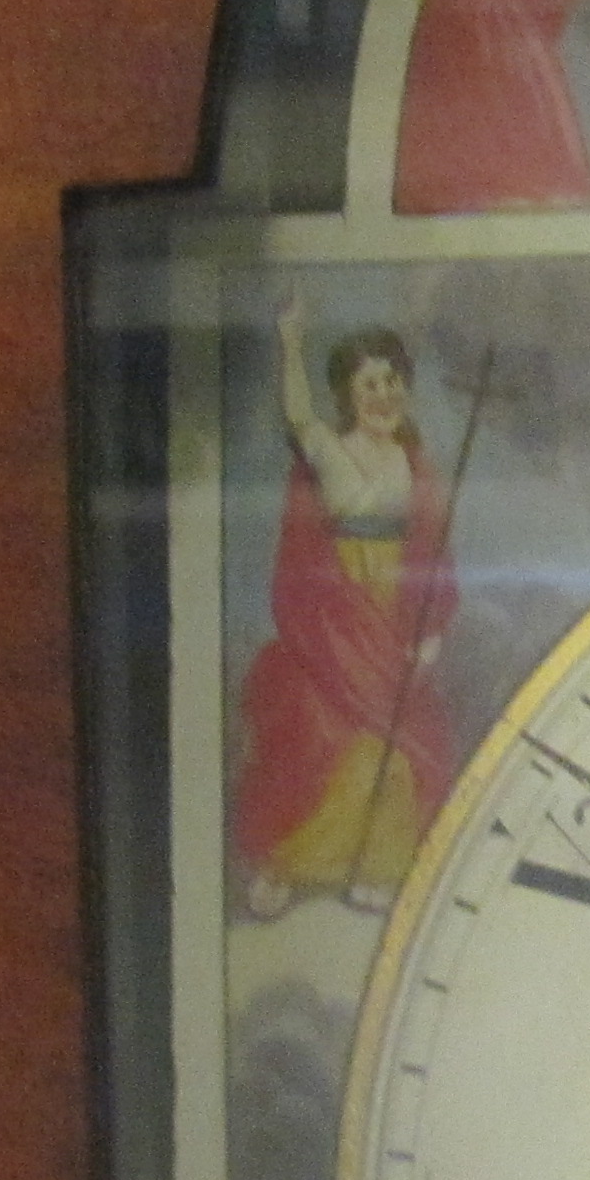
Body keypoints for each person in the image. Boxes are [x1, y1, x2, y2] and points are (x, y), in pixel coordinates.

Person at [234, 298, 455, 916]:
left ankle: (375, 869)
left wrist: (429, 628)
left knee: (396, 746)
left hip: (393, 613)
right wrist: (290, 338)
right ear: (349, 394)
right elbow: (297, 411)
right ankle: (289, 865)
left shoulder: (416, 464)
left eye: (392, 381)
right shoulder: (328, 449)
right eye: (369, 384)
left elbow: (434, 552)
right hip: (333, 613)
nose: (383, 395)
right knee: (319, 731)